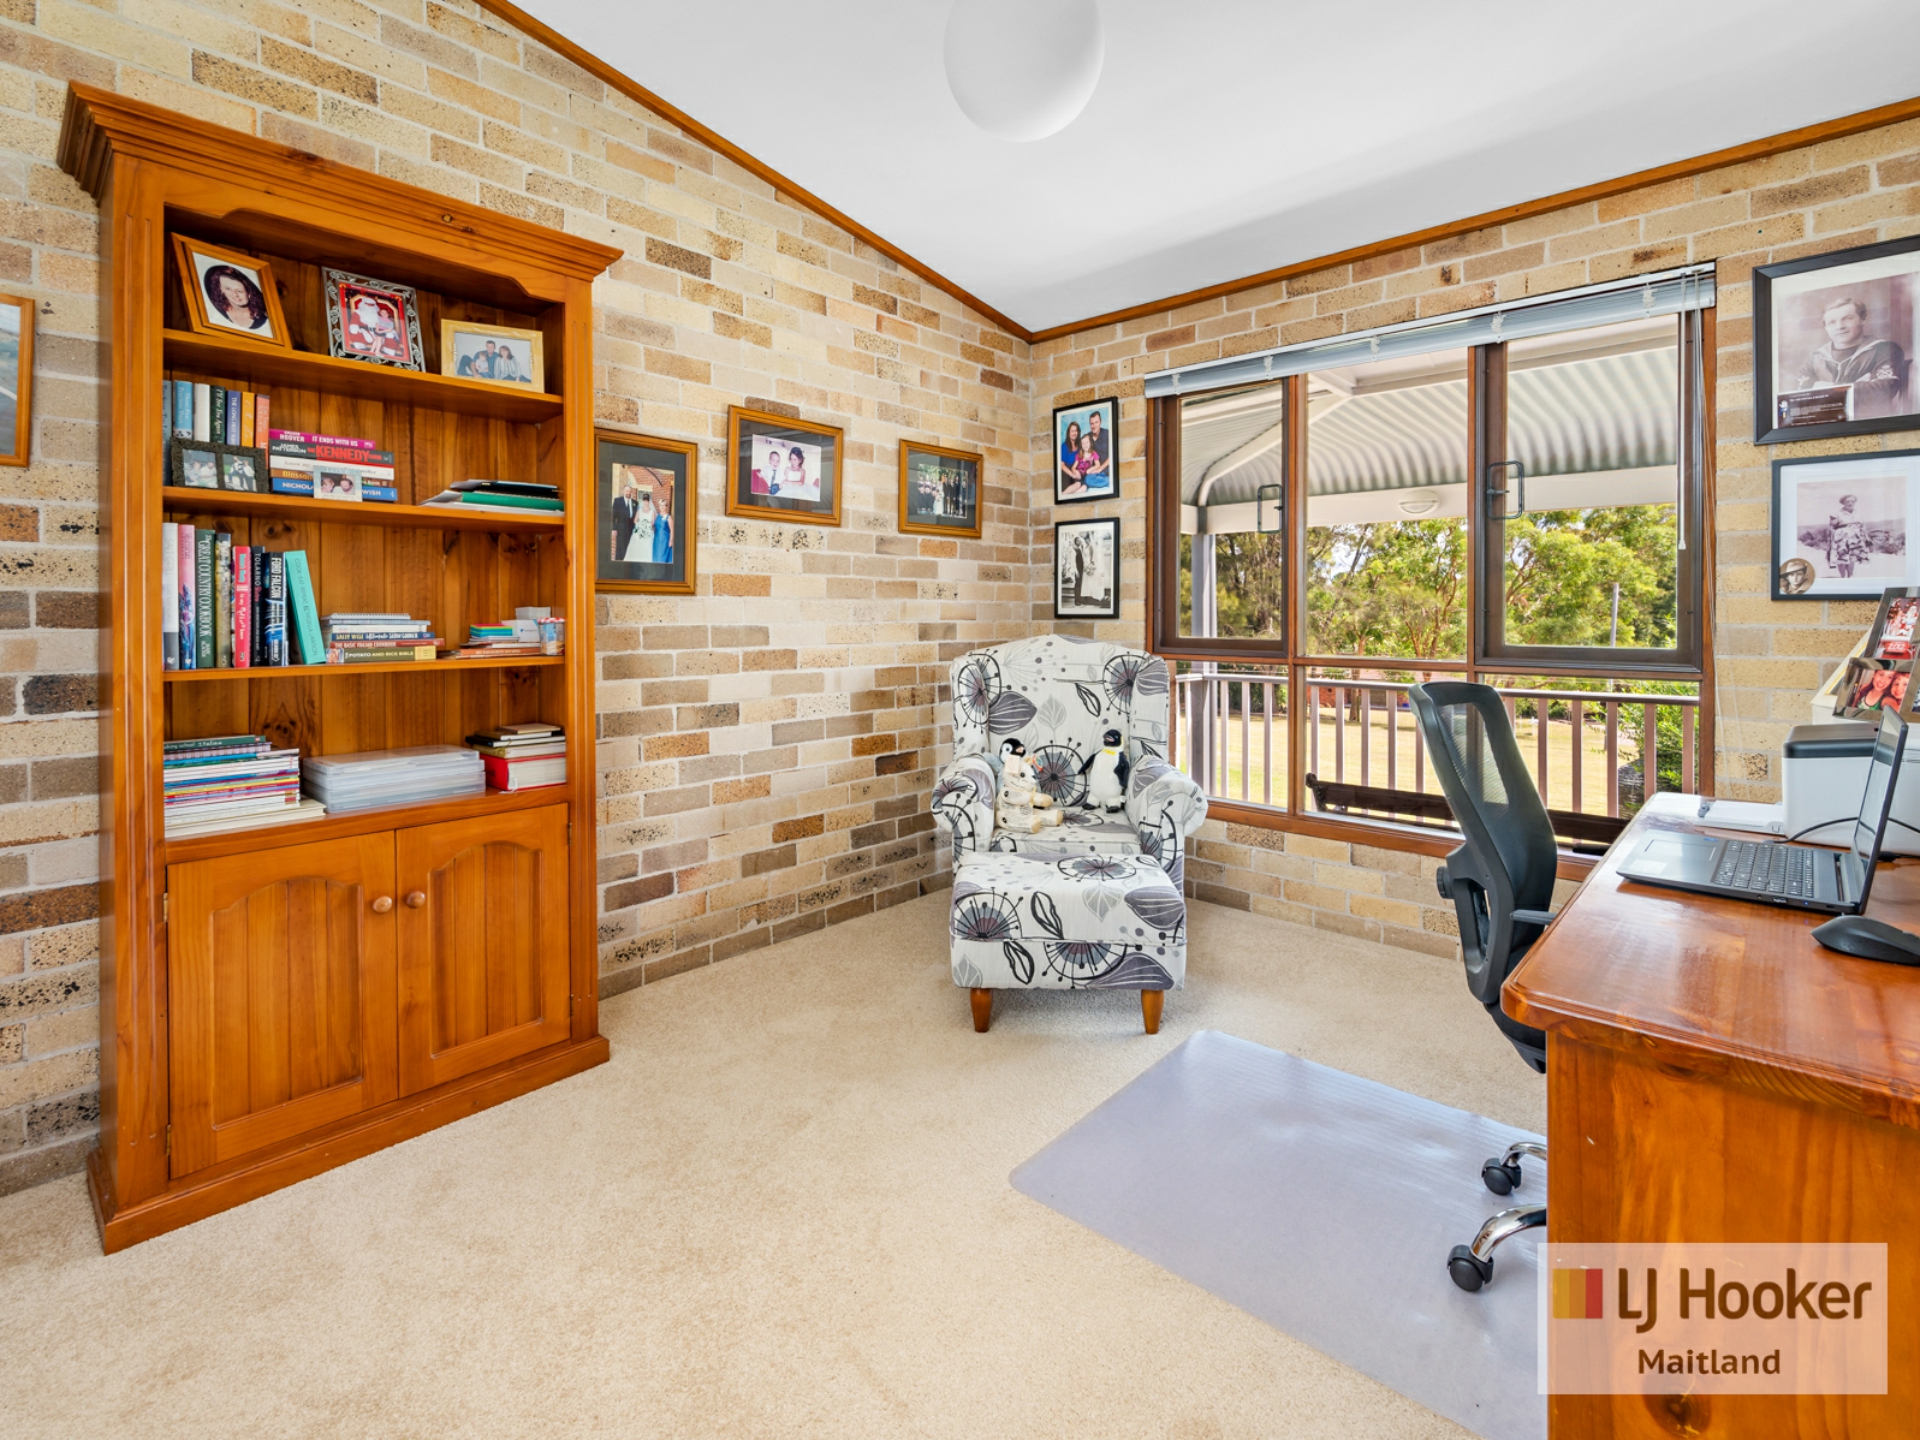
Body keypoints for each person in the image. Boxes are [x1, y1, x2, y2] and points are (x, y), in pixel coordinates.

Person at [1793, 296, 1909, 420]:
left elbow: (1885, 390)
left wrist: (1828, 387)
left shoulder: (1884, 349)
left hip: (1869, 423)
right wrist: (1858, 386)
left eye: (1848, 319)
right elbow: (1797, 399)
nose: (1840, 326)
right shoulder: (1816, 357)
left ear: (1863, 319)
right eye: (1832, 322)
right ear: (1826, 327)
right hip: (1826, 424)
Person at [203, 265, 270, 333]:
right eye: (228, 288)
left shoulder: (262, 319)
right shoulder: (215, 310)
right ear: (221, 289)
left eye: (239, 291)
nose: (235, 295)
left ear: (249, 292)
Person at [345, 292, 406, 362]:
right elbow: (354, 323)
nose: (370, 307)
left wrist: (387, 330)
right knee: (356, 334)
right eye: (368, 305)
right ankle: (364, 351)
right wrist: (355, 328)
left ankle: (387, 354)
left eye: (372, 305)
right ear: (363, 304)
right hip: (366, 331)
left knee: (390, 336)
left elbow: (385, 325)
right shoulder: (357, 313)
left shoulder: (378, 315)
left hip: (379, 331)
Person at [1826, 493, 1874, 579]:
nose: (1850, 503)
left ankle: (1850, 576)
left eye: (1852, 501)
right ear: (1843, 503)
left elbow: (1862, 526)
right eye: (1847, 501)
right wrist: (1833, 540)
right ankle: (1843, 576)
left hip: (1855, 538)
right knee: (1842, 558)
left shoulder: (1858, 513)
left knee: (1853, 557)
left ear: (1855, 502)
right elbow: (1832, 528)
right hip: (1841, 538)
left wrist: (1866, 537)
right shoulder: (1836, 513)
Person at [623, 485, 656, 562]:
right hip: (639, 532)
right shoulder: (639, 511)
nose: (646, 503)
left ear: (649, 502)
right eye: (644, 501)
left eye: (647, 501)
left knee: (646, 548)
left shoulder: (652, 512)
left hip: (648, 533)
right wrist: (640, 526)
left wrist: (647, 526)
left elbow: (653, 523)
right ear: (643, 502)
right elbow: (635, 521)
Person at [611, 478, 639, 562]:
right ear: (624, 491)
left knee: (629, 548)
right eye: (627, 491)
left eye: (630, 491)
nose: (628, 492)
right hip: (621, 529)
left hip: (631, 529)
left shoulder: (635, 503)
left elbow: (636, 517)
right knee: (620, 548)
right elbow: (613, 516)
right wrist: (614, 529)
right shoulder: (617, 501)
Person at [1084, 407, 1112, 491]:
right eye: (1091, 423)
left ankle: (1109, 480)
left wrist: (1100, 468)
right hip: (1095, 471)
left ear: (1100, 422)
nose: (1094, 426)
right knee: (1087, 479)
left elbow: (1113, 455)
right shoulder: (1087, 437)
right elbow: (1081, 454)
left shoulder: (1107, 434)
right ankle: (1109, 481)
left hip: (1108, 468)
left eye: (1096, 422)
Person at [1058, 420, 1086, 497]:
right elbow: (1061, 465)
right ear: (1069, 433)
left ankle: (1069, 497)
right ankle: (1062, 496)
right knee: (1076, 485)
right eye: (1072, 431)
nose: (1074, 433)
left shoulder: (1080, 445)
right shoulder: (1064, 446)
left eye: (1076, 431)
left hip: (1076, 470)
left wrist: (1078, 472)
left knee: (1081, 486)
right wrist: (1072, 474)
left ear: (1078, 432)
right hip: (1066, 472)